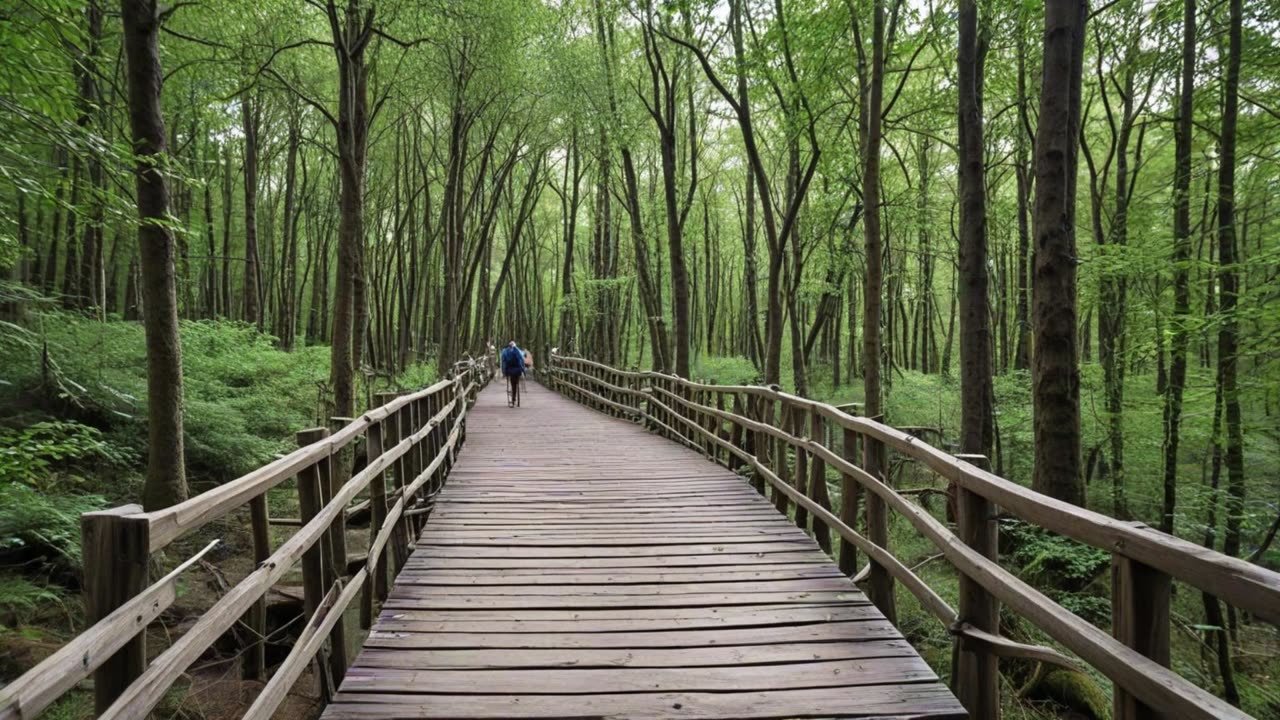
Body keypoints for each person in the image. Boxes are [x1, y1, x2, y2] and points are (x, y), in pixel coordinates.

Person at [500, 340, 526, 407]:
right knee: (514, 383)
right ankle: (514, 397)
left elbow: (503, 362)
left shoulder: (505, 351)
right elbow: (522, 358)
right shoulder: (514, 351)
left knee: (513, 383)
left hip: (513, 370)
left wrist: (504, 371)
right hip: (514, 370)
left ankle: (513, 397)